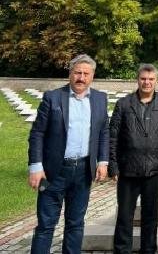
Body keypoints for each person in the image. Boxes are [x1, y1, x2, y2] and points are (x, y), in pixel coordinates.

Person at [27, 53, 110, 254]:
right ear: (70, 74)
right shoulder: (53, 97)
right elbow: (37, 133)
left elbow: (103, 131)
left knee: (75, 223)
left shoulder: (100, 99)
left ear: (92, 76)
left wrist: (103, 161)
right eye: (77, 72)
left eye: (86, 74)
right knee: (46, 225)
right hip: (53, 172)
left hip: (83, 172)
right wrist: (36, 167)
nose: (81, 77)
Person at [109, 63, 158, 254]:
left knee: (150, 216)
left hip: (154, 170)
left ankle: (148, 250)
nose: (147, 82)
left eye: (151, 79)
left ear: (157, 81)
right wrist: (113, 165)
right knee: (124, 215)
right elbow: (113, 136)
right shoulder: (123, 104)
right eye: (143, 79)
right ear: (137, 79)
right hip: (128, 169)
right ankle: (122, 250)